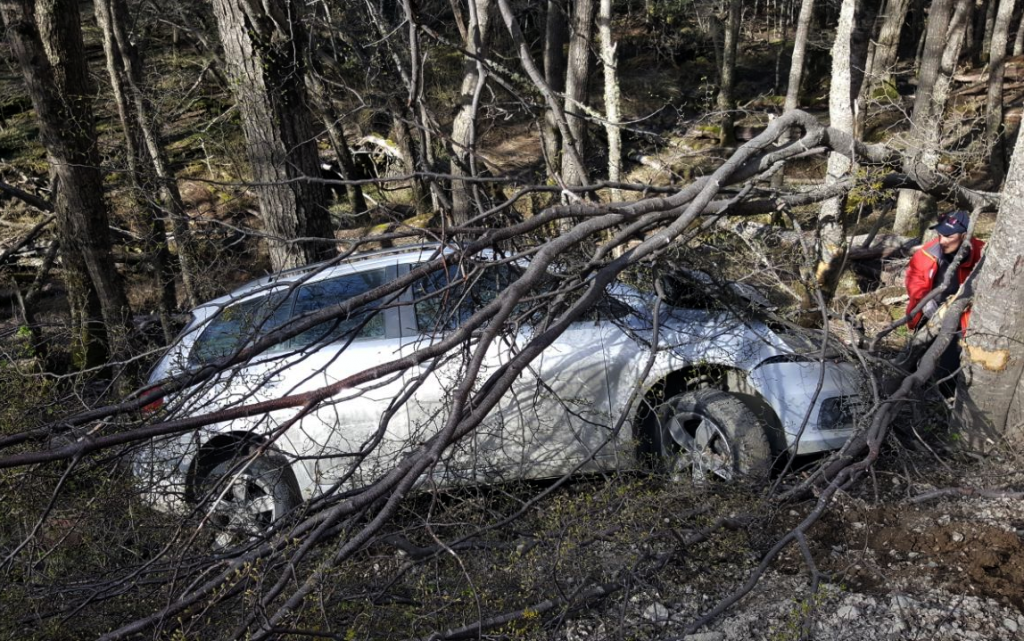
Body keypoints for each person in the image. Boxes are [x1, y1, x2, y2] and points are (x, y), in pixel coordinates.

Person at [903, 210, 985, 394]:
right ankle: (910, 394)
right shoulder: (927, 253)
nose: (942, 240)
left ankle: (943, 401)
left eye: (949, 235)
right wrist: (925, 301)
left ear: (965, 235)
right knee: (914, 355)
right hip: (929, 313)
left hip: (962, 319)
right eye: (940, 234)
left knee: (949, 365)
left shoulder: (982, 254)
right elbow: (914, 280)